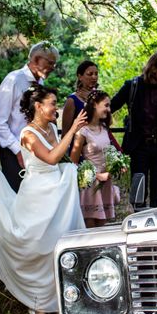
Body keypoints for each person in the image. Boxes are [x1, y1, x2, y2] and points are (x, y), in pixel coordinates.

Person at [0, 84, 87, 314]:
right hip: (37, 197)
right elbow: (50, 157)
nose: (56, 108)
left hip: (56, 193)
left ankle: (61, 299)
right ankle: (37, 303)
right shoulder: (27, 134)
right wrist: (73, 129)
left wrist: (78, 145)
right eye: (52, 103)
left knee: (56, 245)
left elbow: (62, 159)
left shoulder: (51, 127)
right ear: (39, 106)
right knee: (35, 248)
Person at [111, 51, 157, 207]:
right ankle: (138, 218)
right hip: (139, 146)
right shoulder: (133, 86)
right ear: (154, 69)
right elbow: (110, 106)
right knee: (138, 188)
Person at [0, 41, 59, 192]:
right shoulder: (13, 80)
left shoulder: (41, 82)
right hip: (14, 151)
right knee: (16, 197)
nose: (53, 68)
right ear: (36, 60)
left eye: (54, 64)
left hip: (38, 150)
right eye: (50, 63)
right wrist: (17, 150)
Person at [70, 90, 117, 228]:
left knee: (103, 225)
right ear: (95, 105)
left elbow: (108, 152)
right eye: (106, 105)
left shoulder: (103, 128)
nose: (109, 109)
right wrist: (96, 175)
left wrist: (116, 166)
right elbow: (73, 163)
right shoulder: (83, 131)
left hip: (106, 181)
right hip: (90, 183)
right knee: (91, 227)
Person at [61, 60, 99, 136]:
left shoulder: (100, 97)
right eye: (90, 74)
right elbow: (65, 132)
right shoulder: (72, 100)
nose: (94, 77)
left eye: (96, 74)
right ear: (80, 76)